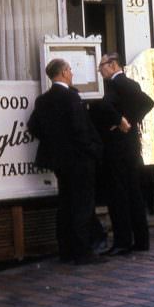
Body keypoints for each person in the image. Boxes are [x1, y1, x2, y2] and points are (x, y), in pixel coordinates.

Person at [27, 58, 106, 265]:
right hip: (79, 160)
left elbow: (33, 126)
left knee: (65, 204)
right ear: (62, 73)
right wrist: (93, 150)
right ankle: (82, 252)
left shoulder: (43, 100)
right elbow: (80, 130)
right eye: (70, 69)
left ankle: (66, 250)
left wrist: (54, 142)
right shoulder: (72, 97)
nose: (72, 73)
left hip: (59, 162)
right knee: (82, 205)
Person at [98, 52, 154, 255]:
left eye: (102, 65)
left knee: (119, 194)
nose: (100, 70)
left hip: (119, 148)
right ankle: (140, 240)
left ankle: (123, 241)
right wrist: (130, 120)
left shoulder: (116, 84)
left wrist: (122, 121)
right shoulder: (129, 84)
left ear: (112, 65)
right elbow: (146, 103)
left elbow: (105, 106)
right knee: (133, 193)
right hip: (129, 146)